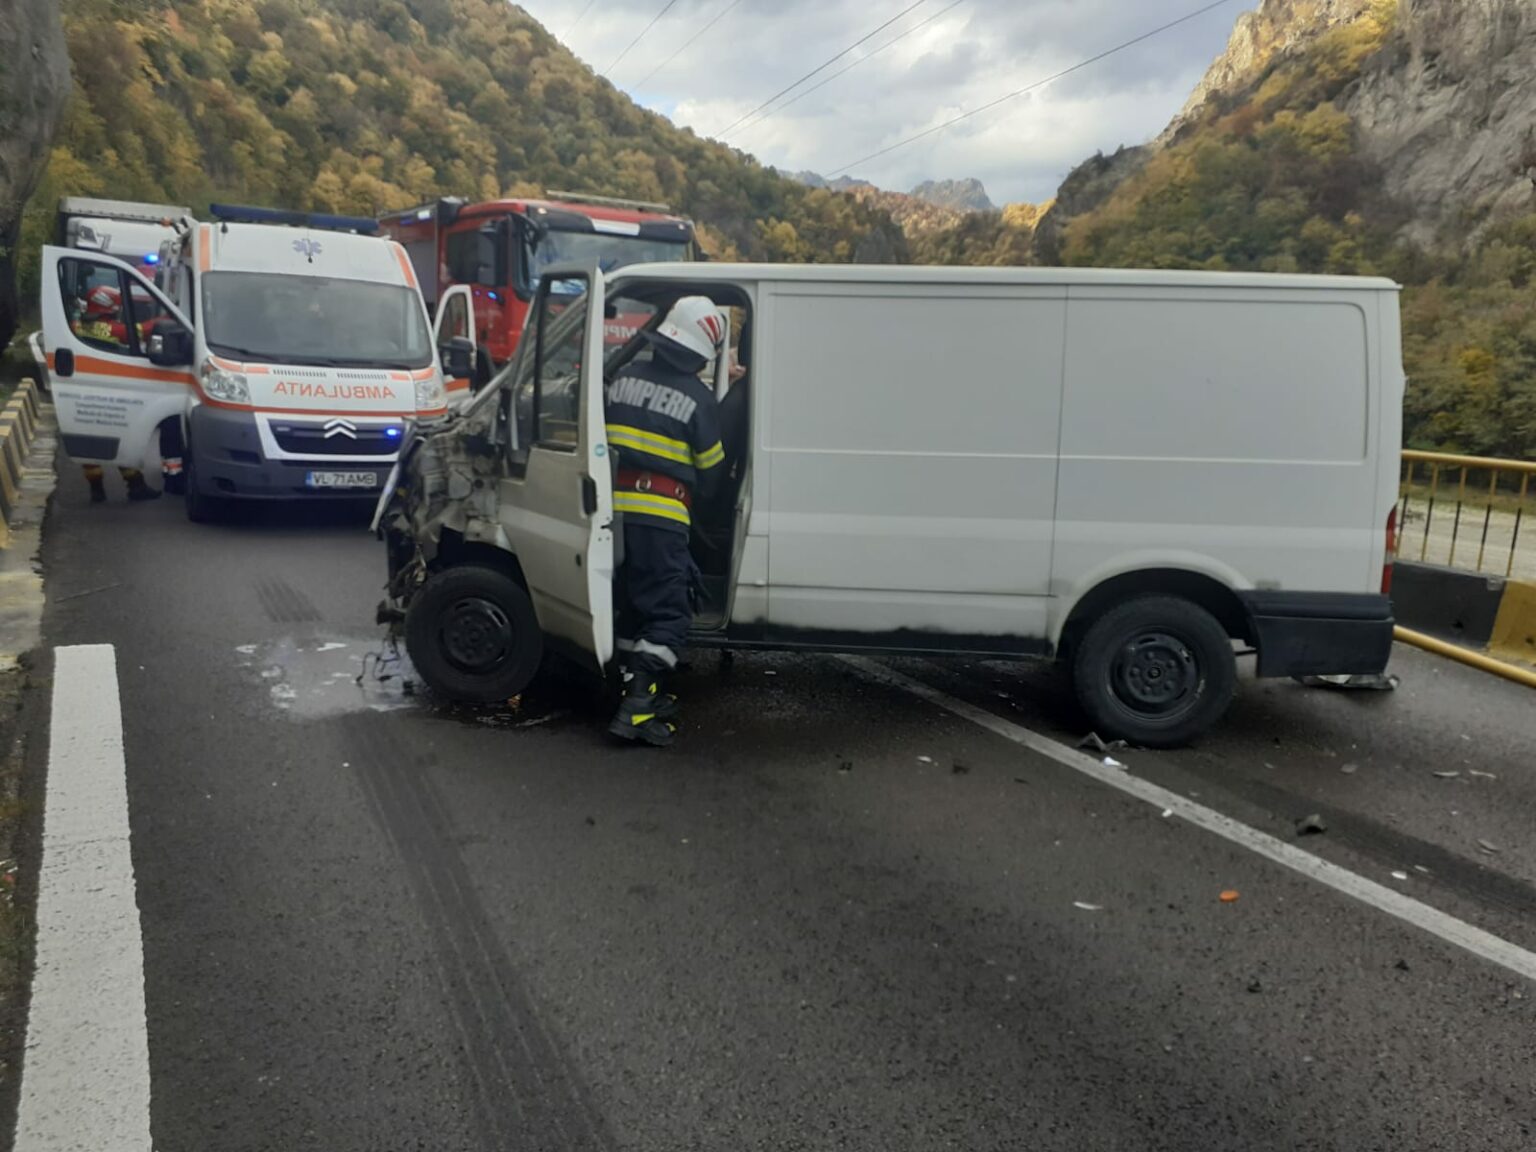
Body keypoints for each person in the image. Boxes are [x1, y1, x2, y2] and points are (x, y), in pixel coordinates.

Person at [605, 296, 728, 747]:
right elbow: (712, 475)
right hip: (663, 518)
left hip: (612, 516)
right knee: (669, 614)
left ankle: (630, 692)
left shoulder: (622, 378)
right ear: (700, 356)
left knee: (630, 608)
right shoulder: (698, 400)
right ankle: (637, 708)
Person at [69, 285, 162, 504]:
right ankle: (136, 486)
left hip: (81, 392)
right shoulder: (114, 329)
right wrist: (166, 318)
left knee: (88, 444)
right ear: (109, 307)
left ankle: (97, 490)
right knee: (122, 439)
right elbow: (142, 330)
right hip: (110, 391)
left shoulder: (76, 326)